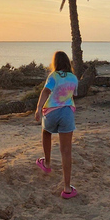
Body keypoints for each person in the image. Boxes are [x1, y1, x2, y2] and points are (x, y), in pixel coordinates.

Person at [35, 51, 79, 199]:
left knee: (46, 132)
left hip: (52, 112)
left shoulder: (53, 76)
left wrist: (38, 108)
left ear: (55, 63)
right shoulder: (73, 78)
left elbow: (46, 91)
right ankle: (67, 188)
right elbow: (73, 95)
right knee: (66, 150)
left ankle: (47, 163)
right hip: (67, 113)